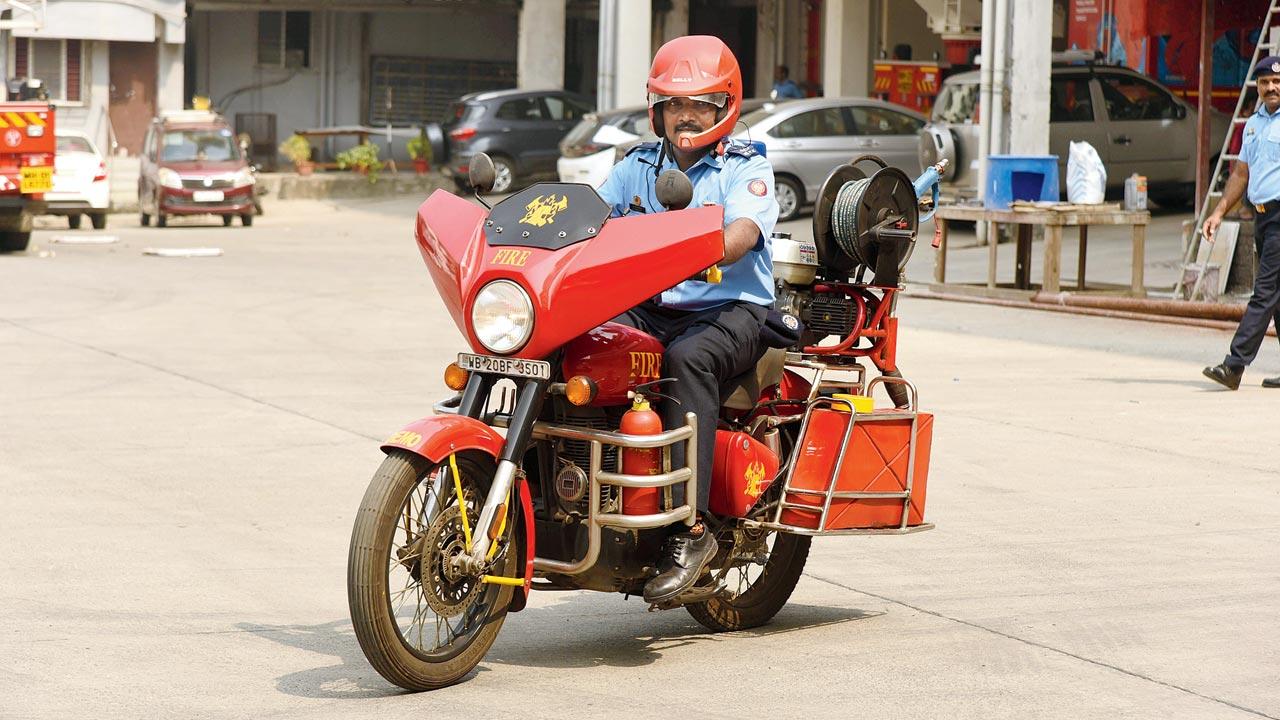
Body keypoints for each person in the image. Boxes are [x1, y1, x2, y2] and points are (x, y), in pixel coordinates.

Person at [596, 35, 779, 603]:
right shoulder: (637, 166)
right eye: (674, 104)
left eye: (699, 103)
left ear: (724, 107)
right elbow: (590, 214)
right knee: (589, 342)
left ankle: (690, 529)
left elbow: (744, 232)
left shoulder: (745, 168)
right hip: (656, 305)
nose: (685, 116)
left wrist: (703, 246)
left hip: (734, 309)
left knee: (685, 360)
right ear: (657, 110)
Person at [1202, 56, 1280, 390]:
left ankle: (1234, 365)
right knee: (1277, 297)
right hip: (1263, 218)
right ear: (1257, 87)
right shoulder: (1253, 124)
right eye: (1265, 83)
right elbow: (1241, 174)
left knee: (1263, 292)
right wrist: (1218, 212)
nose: (1271, 88)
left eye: (1277, 82)